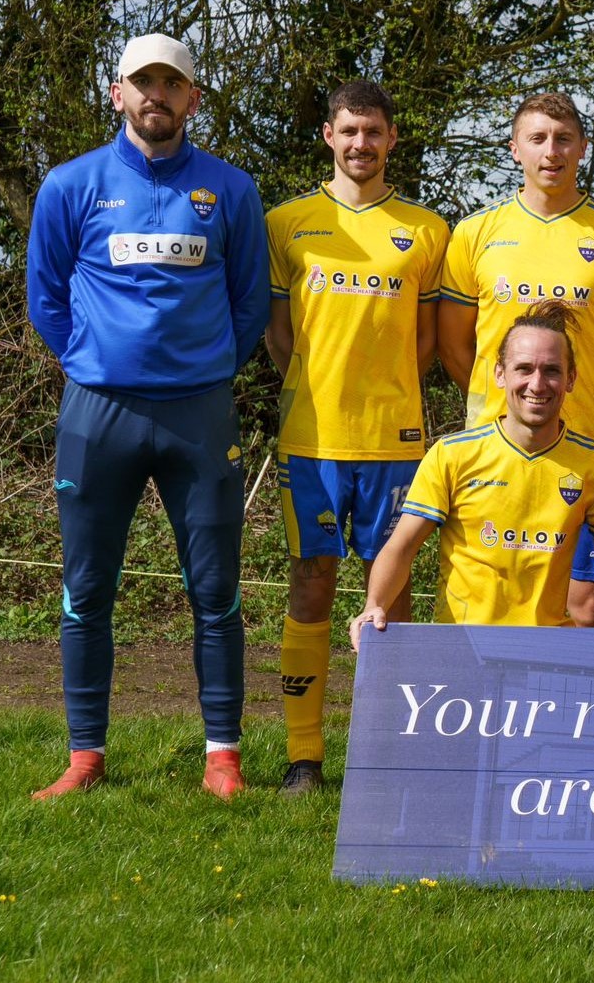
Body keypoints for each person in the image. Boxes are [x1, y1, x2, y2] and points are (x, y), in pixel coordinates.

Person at [25, 33, 269, 799]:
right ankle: (85, 756)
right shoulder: (70, 185)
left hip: (198, 413)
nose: (156, 94)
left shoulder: (230, 189)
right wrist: (95, 360)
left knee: (215, 590)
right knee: (86, 588)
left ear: (193, 97)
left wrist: (205, 369)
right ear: (117, 92)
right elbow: (47, 296)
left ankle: (222, 756)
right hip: (99, 414)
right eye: (143, 82)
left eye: (172, 83)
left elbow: (251, 303)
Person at [263, 80, 449, 795]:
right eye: (349, 131)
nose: (361, 144)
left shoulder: (427, 230)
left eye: (374, 131)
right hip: (312, 438)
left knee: (390, 592)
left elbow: (429, 341)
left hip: (396, 442)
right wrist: (315, 384)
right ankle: (303, 756)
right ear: (328, 137)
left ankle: (384, 753)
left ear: (392, 138)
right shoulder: (287, 222)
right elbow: (278, 333)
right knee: (311, 581)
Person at [437, 92, 594, 628]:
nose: (551, 151)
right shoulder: (476, 233)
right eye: (537, 139)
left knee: (585, 604)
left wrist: (583, 401)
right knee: (498, 601)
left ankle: (581, 713)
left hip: (585, 449)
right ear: (515, 150)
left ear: (582, 148)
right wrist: (512, 404)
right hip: (494, 448)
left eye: (563, 139)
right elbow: (455, 346)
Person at [351, 301, 594, 644]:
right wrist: (375, 604)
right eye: (524, 369)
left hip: (547, 649)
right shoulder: (452, 454)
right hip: (462, 647)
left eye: (551, 370)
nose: (537, 383)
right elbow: (402, 545)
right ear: (500, 374)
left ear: (571, 379)